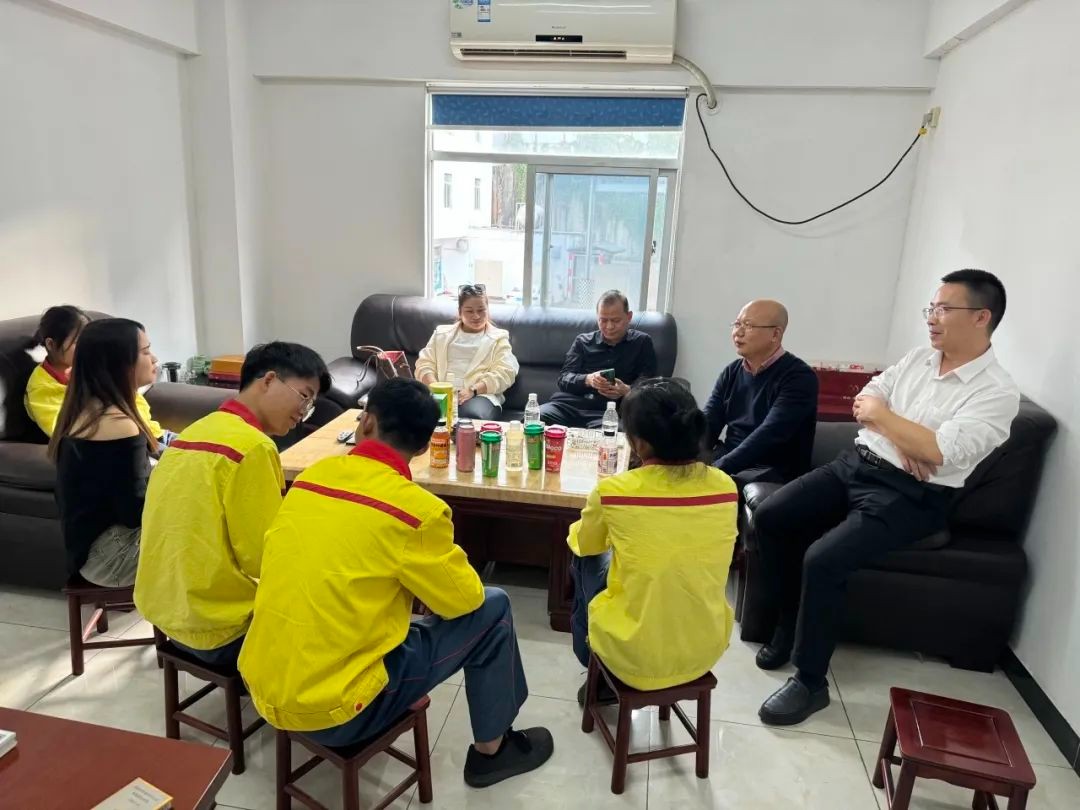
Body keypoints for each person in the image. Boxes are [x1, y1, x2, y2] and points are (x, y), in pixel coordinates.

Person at [239, 378, 553, 788]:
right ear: (423, 448)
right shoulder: (415, 511)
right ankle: (492, 751)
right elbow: (466, 602)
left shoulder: (310, 479)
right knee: (494, 607)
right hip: (339, 710)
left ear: (366, 421)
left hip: (262, 683)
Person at [753, 269, 1020, 726]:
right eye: (930, 308)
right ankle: (785, 624)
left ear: (981, 317)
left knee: (823, 559)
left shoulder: (996, 393)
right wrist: (902, 434)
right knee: (772, 515)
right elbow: (868, 398)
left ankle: (810, 682)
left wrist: (893, 426)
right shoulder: (919, 358)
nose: (931, 318)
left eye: (943, 309)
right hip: (855, 465)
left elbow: (939, 452)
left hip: (913, 494)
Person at [134, 342, 329, 669]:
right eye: (304, 396)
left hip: (166, 616)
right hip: (221, 631)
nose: (303, 411)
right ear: (269, 380)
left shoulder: (192, 433)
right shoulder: (253, 447)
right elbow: (263, 558)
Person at [568, 378, 739, 704]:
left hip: (632, 654)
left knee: (582, 554)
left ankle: (591, 658)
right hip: (705, 648)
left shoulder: (614, 492)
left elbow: (586, 545)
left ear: (639, 444)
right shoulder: (725, 486)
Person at [50, 318, 159, 587]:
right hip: (111, 558)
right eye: (146, 352)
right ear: (120, 363)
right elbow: (135, 512)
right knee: (204, 525)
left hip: (86, 551)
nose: (154, 359)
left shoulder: (86, 409)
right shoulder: (118, 424)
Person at [703, 300, 818, 489]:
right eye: (737, 324)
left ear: (775, 334)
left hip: (771, 469)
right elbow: (708, 422)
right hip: (731, 460)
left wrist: (717, 469)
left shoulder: (799, 377)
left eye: (748, 325)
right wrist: (680, 458)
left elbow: (769, 435)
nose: (738, 332)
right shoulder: (732, 372)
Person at [25, 305, 171, 444]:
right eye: (78, 343)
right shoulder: (42, 387)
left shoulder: (89, 368)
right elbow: (66, 432)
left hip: (153, 433)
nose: (87, 349)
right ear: (51, 345)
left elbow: (133, 402)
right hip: (127, 441)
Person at [540, 290, 658, 429]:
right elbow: (564, 379)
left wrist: (626, 390)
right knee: (535, 419)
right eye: (603, 320)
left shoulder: (642, 342)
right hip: (569, 407)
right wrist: (588, 379)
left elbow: (648, 383)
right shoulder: (582, 342)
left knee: (614, 433)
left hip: (610, 411)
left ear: (629, 317)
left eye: (616, 320)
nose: (609, 327)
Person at [415, 283, 519, 421]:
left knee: (468, 416)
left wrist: (473, 390)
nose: (476, 316)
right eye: (469, 311)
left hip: (479, 396)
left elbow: (506, 372)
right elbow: (424, 364)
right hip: (440, 392)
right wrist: (437, 390)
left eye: (481, 310)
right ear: (460, 312)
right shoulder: (441, 334)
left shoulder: (498, 338)